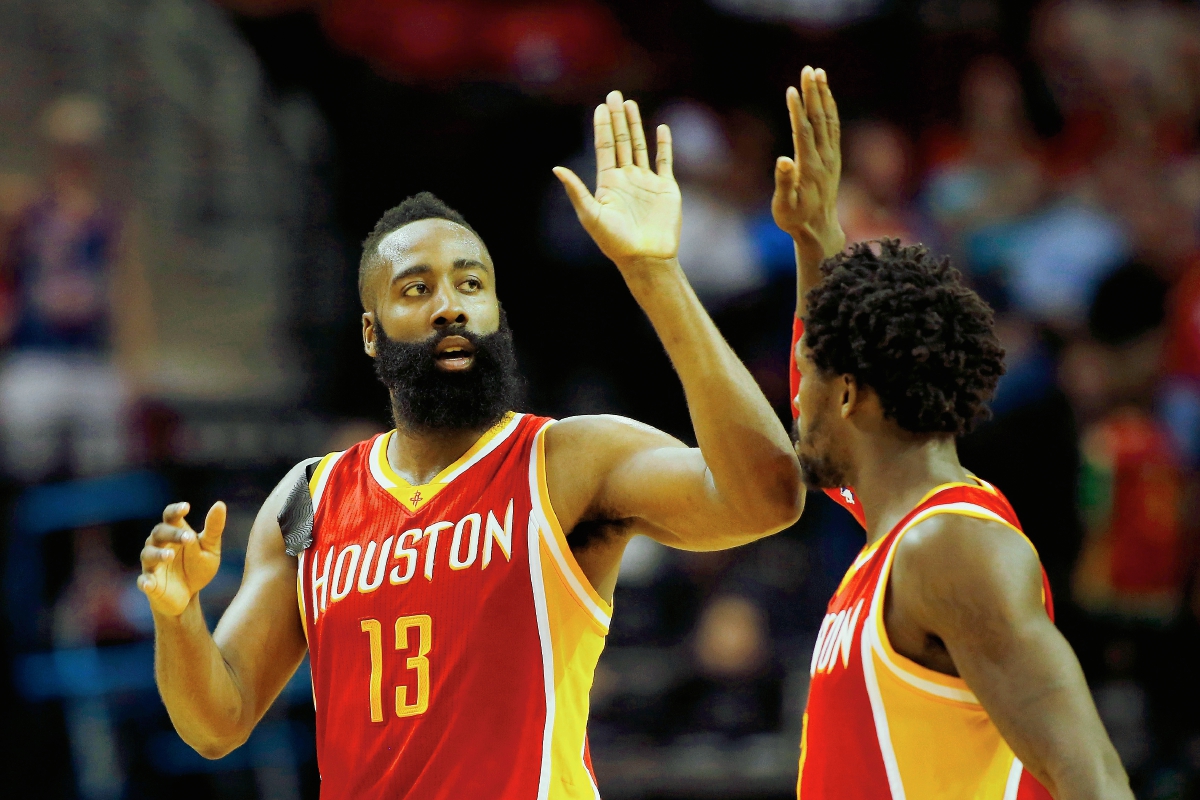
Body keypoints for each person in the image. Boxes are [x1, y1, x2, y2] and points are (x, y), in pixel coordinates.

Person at [136, 91, 804, 798]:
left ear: (495, 312)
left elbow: (767, 497)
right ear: (372, 332)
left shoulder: (567, 461)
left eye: (470, 283)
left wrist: (654, 274)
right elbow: (218, 722)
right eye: (416, 288)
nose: (449, 303)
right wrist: (177, 618)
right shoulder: (308, 499)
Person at [774, 67, 1132, 799]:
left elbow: (1092, 780)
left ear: (847, 394)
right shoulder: (897, 538)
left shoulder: (953, 548)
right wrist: (817, 237)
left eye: (808, 374)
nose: (793, 401)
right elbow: (823, 372)